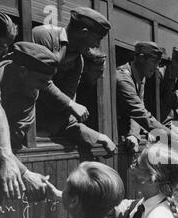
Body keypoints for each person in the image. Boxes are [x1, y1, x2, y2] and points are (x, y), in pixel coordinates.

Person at [33, 7, 116, 156]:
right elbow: (37, 79)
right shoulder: (45, 36)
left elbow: (63, 111)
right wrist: (70, 104)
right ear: (83, 33)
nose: (97, 45)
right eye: (97, 39)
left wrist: (99, 137)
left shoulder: (78, 62)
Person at [0, 42, 59, 201]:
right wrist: (25, 173)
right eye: (42, 81)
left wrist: (24, 173)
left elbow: (14, 140)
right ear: (23, 71)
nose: (46, 86)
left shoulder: (31, 92)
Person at [116, 42, 178, 153]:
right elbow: (138, 111)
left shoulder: (141, 77)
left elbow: (139, 108)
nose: (156, 67)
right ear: (142, 59)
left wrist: (134, 133)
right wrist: (176, 138)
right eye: (154, 62)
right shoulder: (124, 77)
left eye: (158, 63)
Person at [144, 46, 178, 121]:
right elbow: (152, 106)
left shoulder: (174, 78)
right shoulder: (159, 75)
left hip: (164, 121)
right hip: (153, 123)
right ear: (174, 63)